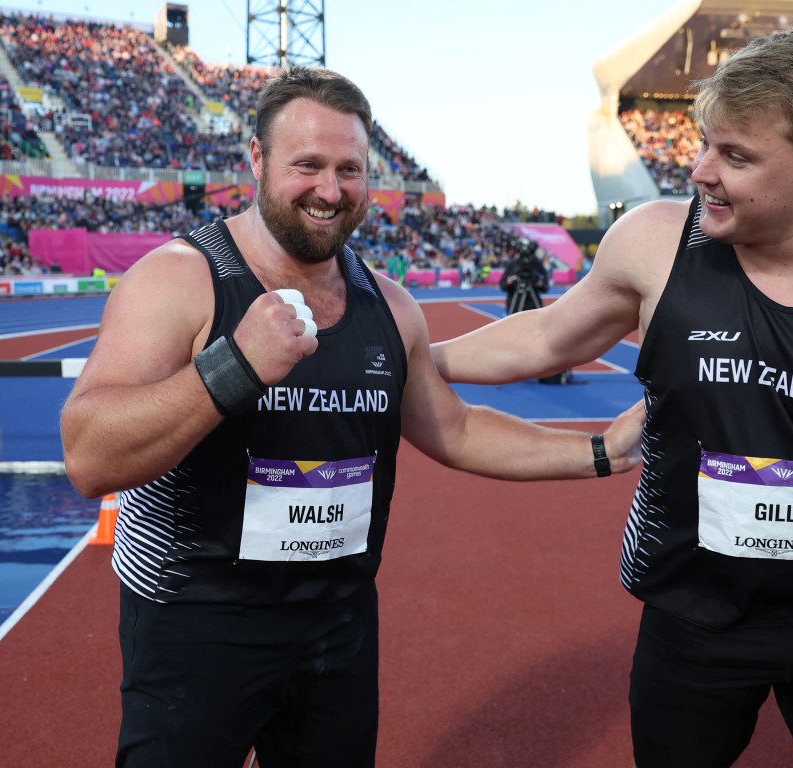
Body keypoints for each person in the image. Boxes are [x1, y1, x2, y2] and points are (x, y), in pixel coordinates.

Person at [431, 26, 793, 767]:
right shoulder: (656, 241)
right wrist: (412, 358)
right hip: (692, 613)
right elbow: (546, 339)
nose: (701, 171)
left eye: (735, 156)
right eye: (704, 143)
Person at [59, 66, 644, 768]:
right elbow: (90, 457)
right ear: (256, 160)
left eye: (349, 169)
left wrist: (603, 450)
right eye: (307, 165)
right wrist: (232, 367)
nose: (330, 191)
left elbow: (453, 430)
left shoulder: (389, 304)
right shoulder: (180, 279)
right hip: (197, 621)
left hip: (337, 623)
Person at [499, 237, 548, 315]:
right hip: (515, 304)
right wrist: (509, 282)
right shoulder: (513, 265)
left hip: (532, 305)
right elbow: (503, 285)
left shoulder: (537, 265)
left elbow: (545, 287)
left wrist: (539, 283)